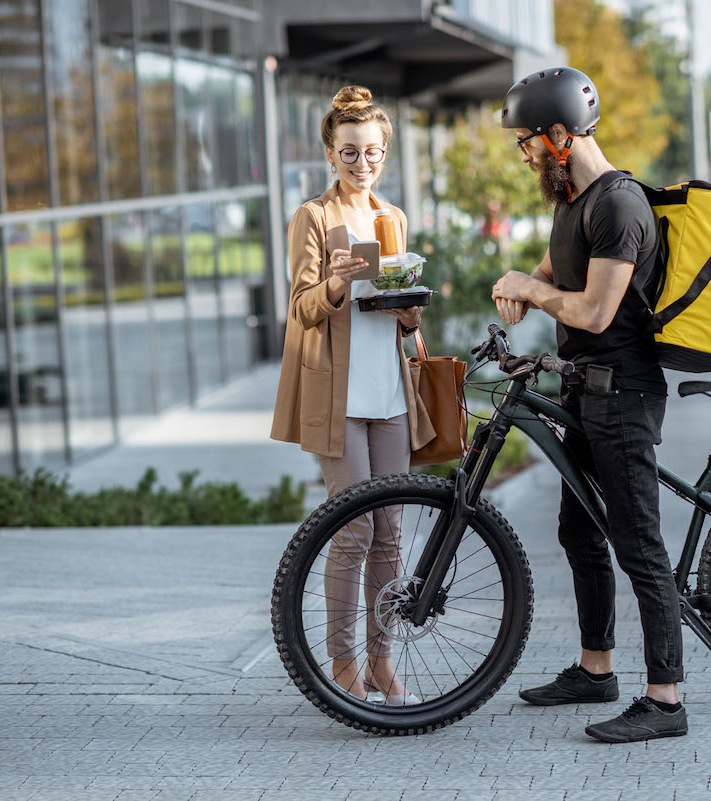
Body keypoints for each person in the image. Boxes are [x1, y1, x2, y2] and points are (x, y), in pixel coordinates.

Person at [491, 67, 687, 743]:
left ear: (559, 135)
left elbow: (598, 311)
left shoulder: (619, 205)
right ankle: (595, 667)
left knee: (640, 547)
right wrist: (522, 284)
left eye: (526, 143)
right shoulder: (571, 198)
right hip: (584, 387)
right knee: (579, 532)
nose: (523, 156)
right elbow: (553, 272)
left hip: (624, 394)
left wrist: (535, 291)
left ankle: (665, 699)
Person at [270, 85, 435, 706]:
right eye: (349, 152)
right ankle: (343, 665)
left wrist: (412, 310)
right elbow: (300, 309)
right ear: (330, 153)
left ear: (384, 154)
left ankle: (383, 660)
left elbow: (401, 318)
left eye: (372, 152)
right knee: (353, 532)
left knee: (391, 530)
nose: (361, 162)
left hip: (390, 394)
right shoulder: (313, 218)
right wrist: (336, 281)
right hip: (337, 398)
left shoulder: (391, 218)